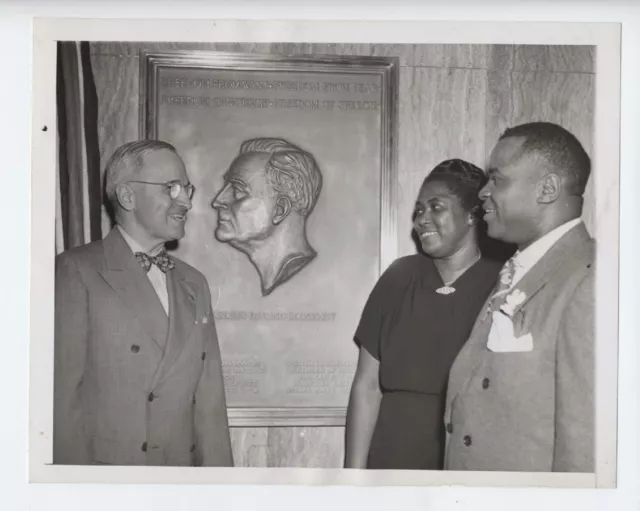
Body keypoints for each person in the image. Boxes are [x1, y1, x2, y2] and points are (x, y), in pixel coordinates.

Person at [54, 140, 234, 467]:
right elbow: (60, 402)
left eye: (186, 189)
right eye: (171, 188)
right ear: (127, 196)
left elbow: (210, 407)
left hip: (180, 487)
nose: (185, 202)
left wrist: (220, 490)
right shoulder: (76, 271)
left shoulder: (194, 283)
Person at [444, 122, 595, 472]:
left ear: (547, 189)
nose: (482, 192)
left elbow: (584, 447)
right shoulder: (519, 268)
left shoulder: (591, 279)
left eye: (497, 179)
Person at [344, 159, 504, 470]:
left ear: (472, 214)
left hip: (468, 462)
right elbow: (366, 386)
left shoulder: (502, 283)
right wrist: (354, 477)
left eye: (436, 207)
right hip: (392, 459)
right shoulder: (399, 277)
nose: (422, 219)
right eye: (419, 210)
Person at [211, 137, 323, 296]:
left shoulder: (322, 282)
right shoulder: (235, 282)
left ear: (280, 209)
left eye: (237, 191)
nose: (218, 201)